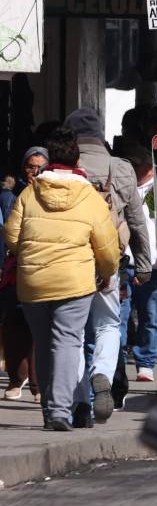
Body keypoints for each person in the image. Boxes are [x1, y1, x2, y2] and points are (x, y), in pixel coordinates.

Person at [3, 128, 120, 431]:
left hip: (33, 280)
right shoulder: (90, 198)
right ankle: (59, 410)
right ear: (77, 158)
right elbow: (107, 247)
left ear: (48, 160)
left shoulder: (29, 194)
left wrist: (31, 250)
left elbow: (12, 235)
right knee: (68, 342)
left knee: (43, 343)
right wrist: (106, 273)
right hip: (74, 281)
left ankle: (47, 408)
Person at [64, 108, 152, 424]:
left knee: (70, 331)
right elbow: (137, 223)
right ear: (101, 134)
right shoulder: (121, 168)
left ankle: (80, 401)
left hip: (69, 259)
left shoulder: (64, 167)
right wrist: (144, 264)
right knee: (108, 324)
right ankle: (102, 372)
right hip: (108, 261)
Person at [117, 146, 157, 384]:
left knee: (150, 313)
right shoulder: (122, 187)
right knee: (121, 314)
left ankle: (146, 363)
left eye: (136, 163)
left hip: (154, 261)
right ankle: (117, 361)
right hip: (125, 259)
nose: (133, 168)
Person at [1, 148, 47, 400]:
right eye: (31, 166)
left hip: (43, 264)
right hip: (16, 266)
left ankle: (38, 384)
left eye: (41, 167)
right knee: (15, 323)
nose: (35, 172)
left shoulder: (52, 194)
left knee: (39, 324)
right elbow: (7, 232)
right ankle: (16, 379)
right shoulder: (11, 196)